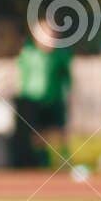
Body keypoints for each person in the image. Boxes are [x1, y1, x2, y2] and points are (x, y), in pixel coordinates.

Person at [16, 16, 74, 167]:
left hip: (54, 98)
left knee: (59, 130)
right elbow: (22, 76)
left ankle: (64, 160)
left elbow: (66, 78)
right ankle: (41, 161)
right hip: (33, 98)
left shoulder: (60, 56)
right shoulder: (28, 53)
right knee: (37, 133)